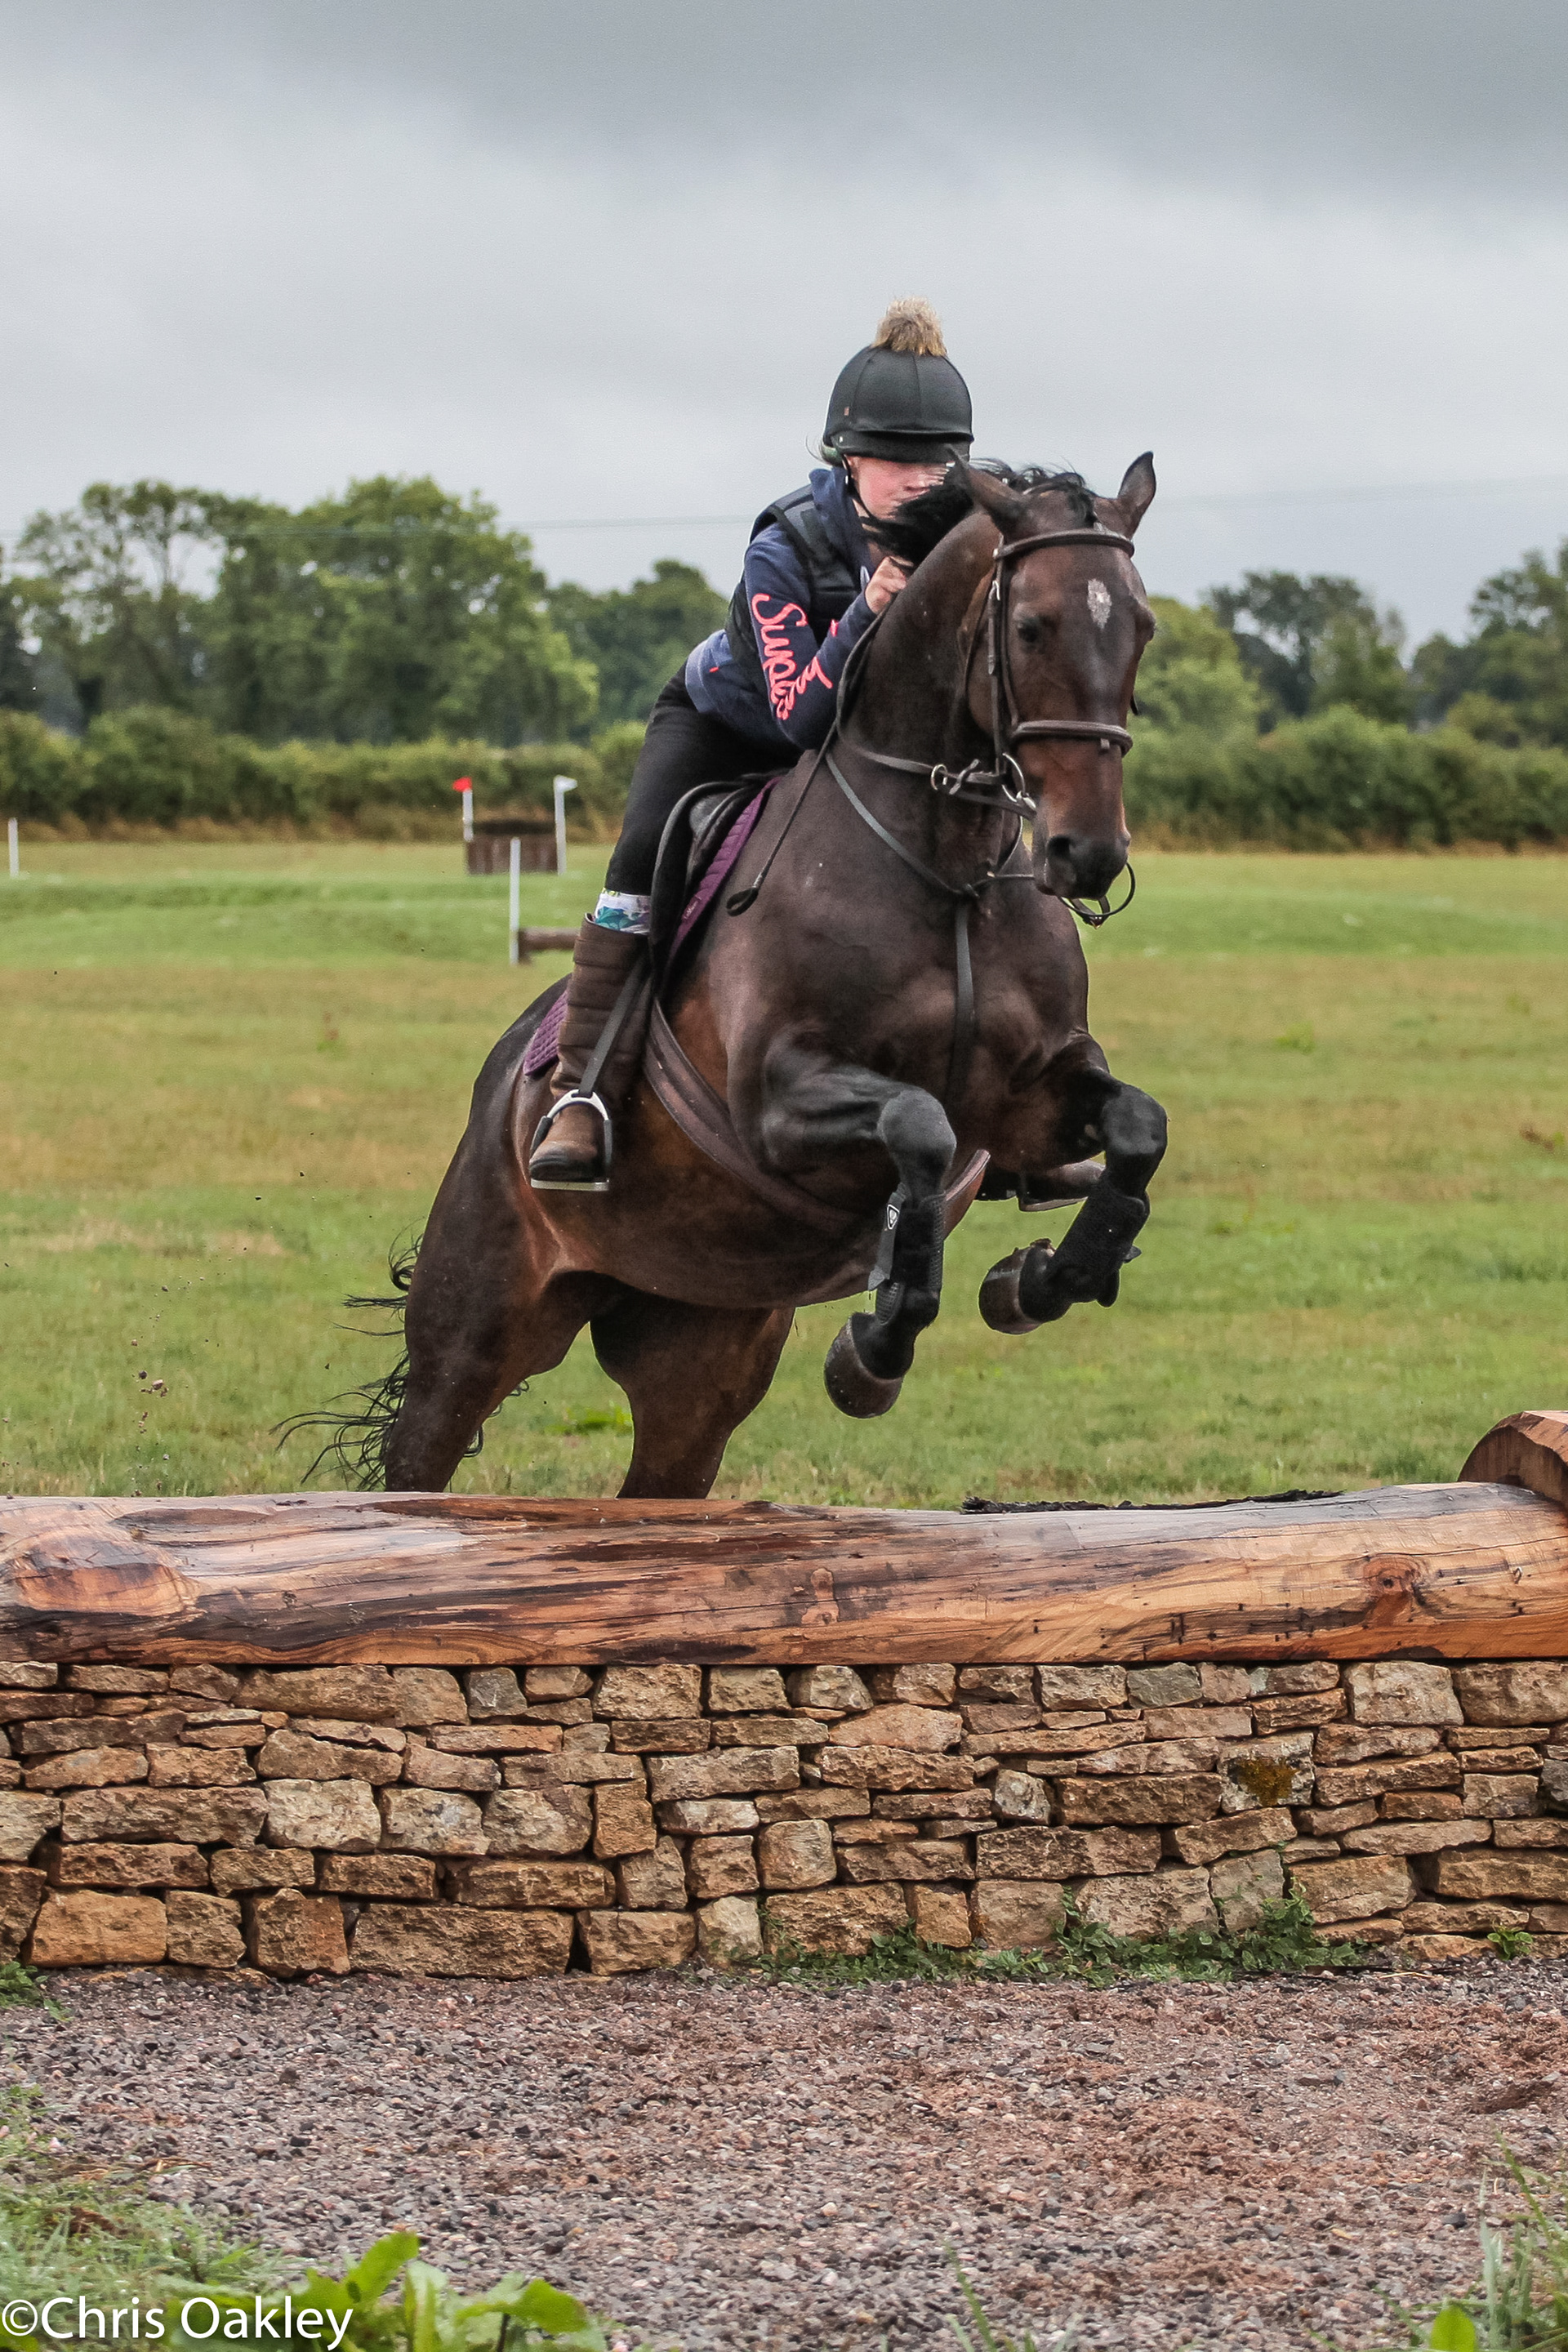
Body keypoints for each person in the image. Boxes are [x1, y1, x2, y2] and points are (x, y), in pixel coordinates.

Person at [529, 296, 976, 1191]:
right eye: (898, 460)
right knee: (639, 862)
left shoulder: (962, 539)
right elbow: (797, 719)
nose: (922, 481)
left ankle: (1015, 1106)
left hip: (861, 755)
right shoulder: (787, 545)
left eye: (939, 462)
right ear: (848, 459)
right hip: (733, 728)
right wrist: (869, 608)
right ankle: (580, 1093)